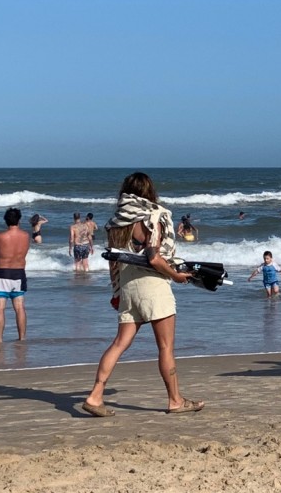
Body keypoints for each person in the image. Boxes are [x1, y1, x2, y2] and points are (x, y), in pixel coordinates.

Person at [81, 171, 204, 417]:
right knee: (165, 347)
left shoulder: (116, 222)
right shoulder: (152, 217)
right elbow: (154, 258)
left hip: (128, 286)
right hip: (152, 286)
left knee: (119, 344)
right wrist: (175, 275)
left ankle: (95, 396)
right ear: (148, 191)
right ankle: (175, 400)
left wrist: (116, 291)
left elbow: (113, 262)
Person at [0, 207, 30, 343]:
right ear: (19, 220)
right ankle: (22, 338)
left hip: (2, 273)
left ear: (5, 220)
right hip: (18, 273)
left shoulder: (0, 236)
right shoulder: (26, 236)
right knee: (20, 308)